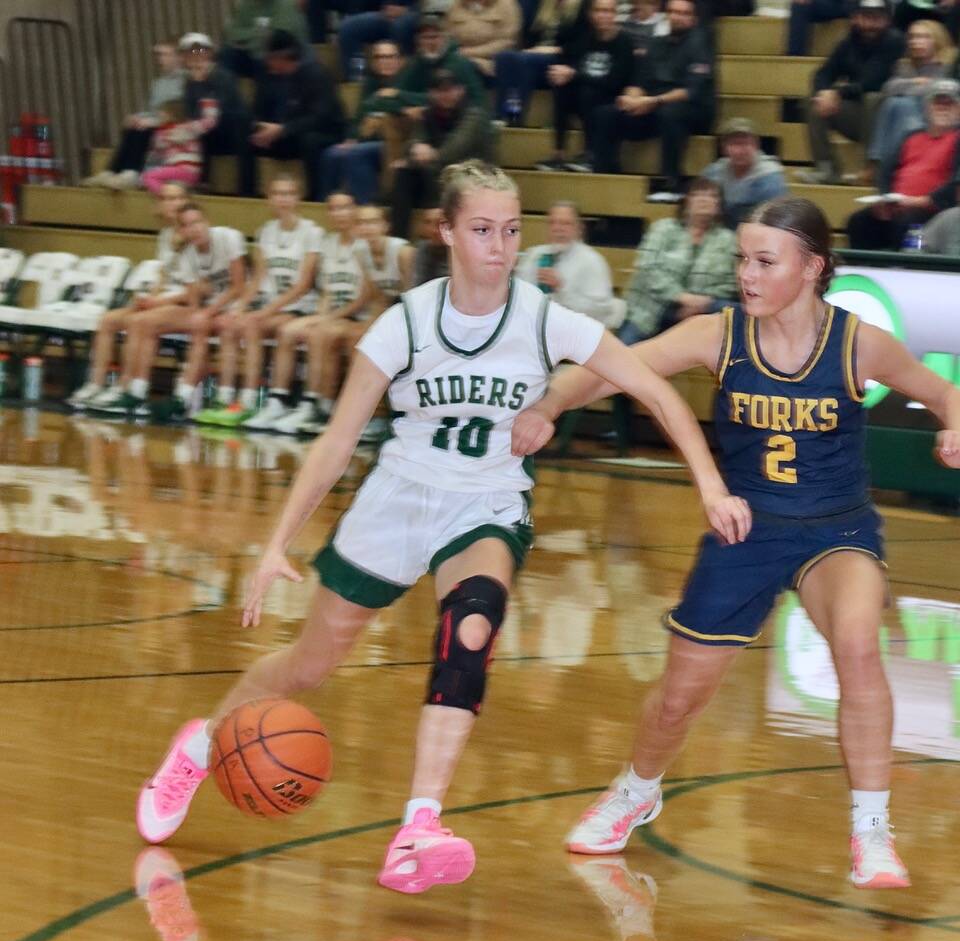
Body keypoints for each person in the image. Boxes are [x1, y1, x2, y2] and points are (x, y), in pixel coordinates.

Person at [134, 159, 749, 896]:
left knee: (473, 623)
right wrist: (275, 543)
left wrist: (710, 482)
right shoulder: (407, 322)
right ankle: (198, 747)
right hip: (397, 497)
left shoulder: (545, 317)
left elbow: (655, 390)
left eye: (512, 229)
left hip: (484, 500)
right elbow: (336, 441)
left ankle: (418, 826)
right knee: (309, 665)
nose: (501, 245)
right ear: (448, 232)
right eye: (484, 229)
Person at [511, 195, 960, 890]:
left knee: (859, 643)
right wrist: (546, 405)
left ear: (810, 268)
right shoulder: (717, 335)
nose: (746, 274)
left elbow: (942, 389)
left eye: (763, 261)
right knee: (678, 696)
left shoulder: (857, 342)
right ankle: (636, 788)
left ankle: (871, 827)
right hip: (746, 528)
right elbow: (612, 367)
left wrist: (952, 423)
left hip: (836, 528)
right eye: (741, 259)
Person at [94, 203, 247, 420]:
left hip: (236, 305)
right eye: (187, 225)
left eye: (197, 222)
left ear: (207, 222)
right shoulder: (186, 256)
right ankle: (137, 391)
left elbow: (239, 286)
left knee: (202, 323)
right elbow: (194, 302)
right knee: (145, 322)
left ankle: (182, 397)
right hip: (207, 306)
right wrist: (197, 312)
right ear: (182, 231)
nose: (194, 229)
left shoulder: (228, 238)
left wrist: (208, 311)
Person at [194, 175, 323, 428]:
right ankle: (226, 397)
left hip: (301, 307)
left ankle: (253, 400)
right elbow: (258, 278)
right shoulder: (266, 232)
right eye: (277, 193)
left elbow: (303, 284)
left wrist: (264, 312)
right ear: (269, 199)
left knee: (252, 324)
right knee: (231, 324)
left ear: (297, 199)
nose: (283, 199)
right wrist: (239, 306)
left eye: (288, 193)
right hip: (271, 307)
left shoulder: (312, 232)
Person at [256, 191, 373, 435]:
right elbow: (327, 291)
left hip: (358, 315)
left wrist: (327, 318)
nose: (339, 213)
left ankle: (315, 405)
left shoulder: (365, 245)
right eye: (333, 208)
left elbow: (364, 297)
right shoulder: (327, 243)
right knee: (288, 331)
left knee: (320, 334)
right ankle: (278, 401)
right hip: (333, 314)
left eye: (345, 207)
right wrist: (321, 314)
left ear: (355, 210)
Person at [67, 183, 191, 410]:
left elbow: (197, 289)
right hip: (163, 302)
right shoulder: (165, 235)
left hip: (187, 305)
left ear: (187, 202)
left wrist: (158, 302)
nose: (172, 204)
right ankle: (96, 384)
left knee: (137, 322)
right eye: (167, 199)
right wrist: (148, 297)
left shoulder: (193, 235)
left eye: (178, 198)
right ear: (159, 205)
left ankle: (125, 387)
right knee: (108, 320)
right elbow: (164, 276)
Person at [299, 204, 415, 441]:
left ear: (385, 226)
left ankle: (380, 416)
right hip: (392, 315)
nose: (367, 228)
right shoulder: (362, 252)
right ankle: (343, 413)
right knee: (355, 339)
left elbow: (419, 299)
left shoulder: (402, 252)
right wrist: (370, 330)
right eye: (362, 223)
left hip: (416, 320)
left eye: (373, 222)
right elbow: (376, 297)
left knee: (371, 347)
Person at [588, 0, 715, 198]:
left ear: (693, 19)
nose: (676, 17)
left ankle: (671, 182)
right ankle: (607, 174)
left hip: (692, 110)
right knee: (605, 114)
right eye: (672, 12)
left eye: (683, 13)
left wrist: (652, 102)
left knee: (670, 114)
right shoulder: (656, 44)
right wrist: (630, 99)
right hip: (654, 106)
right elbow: (638, 81)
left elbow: (692, 91)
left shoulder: (701, 45)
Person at [618, 177, 736, 344]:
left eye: (712, 196)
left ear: (719, 205)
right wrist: (682, 297)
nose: (704, 200)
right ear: (686, 201)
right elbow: (647, 269)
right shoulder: (664, 228)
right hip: (653, 309)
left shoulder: (728, 240)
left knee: (729, 308)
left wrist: (703, 302)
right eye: (697, 194)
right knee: (623, 353)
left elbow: (732, 282)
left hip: (702, 313)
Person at [846, 79, 960, 251]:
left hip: (933, 209)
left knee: (906, 223)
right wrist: (885, 200)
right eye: (937, 103)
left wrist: (919, 201)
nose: (942, 108)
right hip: (898, 204)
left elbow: (955, 185)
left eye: (949, 104)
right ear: (927, 107)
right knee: (858, 221)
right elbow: (885, 171)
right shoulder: (911, 136)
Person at [799, 0, 903, 186]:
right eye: (865, 17)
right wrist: (823, 93)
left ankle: (872, 169)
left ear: (887, 20)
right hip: (859, 116)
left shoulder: (894, 41)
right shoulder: (847, 43)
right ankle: (826, 168)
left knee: (873, 98)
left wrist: (837, 93)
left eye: (876, 18)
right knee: (812, 101)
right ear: (855, 18)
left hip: (887, 122)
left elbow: (873, 82)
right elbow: (823, 73)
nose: (870, 24)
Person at [389, 69, 495, 239]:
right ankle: (397, 240)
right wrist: (416, 148)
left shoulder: (475, 116)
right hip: (437, 175)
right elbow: (413, 142)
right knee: (404, 173)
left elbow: (454, 150)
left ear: (461, 90)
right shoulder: (428, 115)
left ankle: (440, 235)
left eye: (450, 89)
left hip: (472, 176)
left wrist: (427, 155)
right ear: (431, 93)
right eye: (440, 90)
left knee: (434, 170)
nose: (445, 95)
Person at [245, 29, 346, 200]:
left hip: (326, 132)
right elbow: (264, 111)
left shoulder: (316, 74)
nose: (267, 62)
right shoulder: (273, 77)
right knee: (248, 136)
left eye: (270, 57)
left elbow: (321, 117)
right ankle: (248, 194)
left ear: (281, 57)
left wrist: (283, 129)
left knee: (310, 141)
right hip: (290, 131)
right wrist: (263, 128)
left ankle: (317, 197)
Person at [536, 0, 634, 173]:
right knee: (562, 88)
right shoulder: (585, 39)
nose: (603, 15)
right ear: (590, 14)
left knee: (588, 92)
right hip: (585, 93)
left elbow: (614, 82)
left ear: (615, 14)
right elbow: (570, 63)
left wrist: (574, 74)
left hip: (611, 97)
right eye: (599, 11)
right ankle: (558, 154)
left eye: (608, 11)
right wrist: (561, 73)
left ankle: (591, 154)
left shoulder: (624, 42)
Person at [82, 39, 185, 190]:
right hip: (157, 122)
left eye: (165, 54)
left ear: (178, 57)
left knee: (143, 128)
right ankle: (112, 171)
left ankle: (131, 172)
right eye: (159, 55)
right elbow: (151, 110)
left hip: (173, 126)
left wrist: (153, 122)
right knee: (134, 125)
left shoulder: (185, 81)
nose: (160, 59)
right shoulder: (158, 84)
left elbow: (179, 112)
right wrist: (138, 117)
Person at [321, 40, 413, 204]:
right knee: (332, 154)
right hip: (368, 140)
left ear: (400, 60)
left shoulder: (408, 81)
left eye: (390, 56)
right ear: (373, 62)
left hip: (396, 143)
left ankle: (368, 206)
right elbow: (359, 118)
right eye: (379, 57)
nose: (385, 61)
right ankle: (328, 205)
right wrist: (351, 138)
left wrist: (385, 104)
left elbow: (403, 108)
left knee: (356, 153)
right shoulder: (370, 84)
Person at [862, 19, 953, 185]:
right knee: (894, 104)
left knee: (899, 104)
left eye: (924, 37)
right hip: (904, 119)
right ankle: (887, 165)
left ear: (937, 40)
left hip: (934, 119)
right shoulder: (904, 65)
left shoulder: (947, 66)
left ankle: (878, 163)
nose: (916, 42)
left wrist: (912, 88)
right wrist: (917, 83)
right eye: (913, 37)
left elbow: (936, 92)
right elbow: (888, 88)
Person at [516, 201, 626, 329]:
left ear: (579, 229)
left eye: (565, 223)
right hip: (534, 329)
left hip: (575, 335)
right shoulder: (535, 254)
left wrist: (562, 289)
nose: (558, 229)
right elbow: (518, 296)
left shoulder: (592, 262)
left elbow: (601, 310)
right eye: (553, 223)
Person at [493, 0, 587, 124]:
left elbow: (582, 44)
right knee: (504, 57)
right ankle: (500, 116)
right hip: (536, 58)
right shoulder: (543, 6)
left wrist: (552, 49)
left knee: (524, 61)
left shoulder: (582, 7)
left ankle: (513, 117)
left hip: (562, 60)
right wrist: (531, 50)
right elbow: (530, 38)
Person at [180, 33, 252, 194]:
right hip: (210, 134)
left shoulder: (223, 76)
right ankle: (197, 182)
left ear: (209, 53)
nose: (195, 56)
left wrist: (203, 83)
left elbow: (219, 110)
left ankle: (246, 191)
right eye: (191, 53)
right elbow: (191, 113)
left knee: (241, 125)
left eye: (199, 51)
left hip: (231, 131)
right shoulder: (190, 82)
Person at [702, 117, 788, 228]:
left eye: (746, 144)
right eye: (734, 144)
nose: (740, 151)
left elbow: (777, 221)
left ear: (756, 146)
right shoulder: (713, 172)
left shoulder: (770, 177)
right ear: (724, 148)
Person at [220, 0, 311, 79]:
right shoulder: (246, 5)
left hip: (286, 57)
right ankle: (225, 95)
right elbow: (231, 33)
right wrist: (256, 33)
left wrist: (246, 39)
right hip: (254, 55)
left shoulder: (285, 4)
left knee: (264, 56)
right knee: (226, 53)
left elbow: (277, 39)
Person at [139, 99, 207, 195]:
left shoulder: (173, 130)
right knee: (149, 176)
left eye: (162, 113)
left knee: (148, 177)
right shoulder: (188, 127)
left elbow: (159, 146)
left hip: (182, 170)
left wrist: (157, 129)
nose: (160, 115)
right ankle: (177, 193)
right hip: (192, 173)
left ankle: (168, 197)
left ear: (171, 114)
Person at [445, 0, 523, 82]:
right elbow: (447, 37)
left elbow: (507, 42)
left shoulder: (507, 5)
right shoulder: (455, 5)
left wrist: (468, 53)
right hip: (459, 58)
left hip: (495, 60)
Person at [411, 207, 451, 284]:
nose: (432, 230)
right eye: (427, 222)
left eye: (439, 223)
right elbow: (418, 285)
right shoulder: (423, 248)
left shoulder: (460, 251)